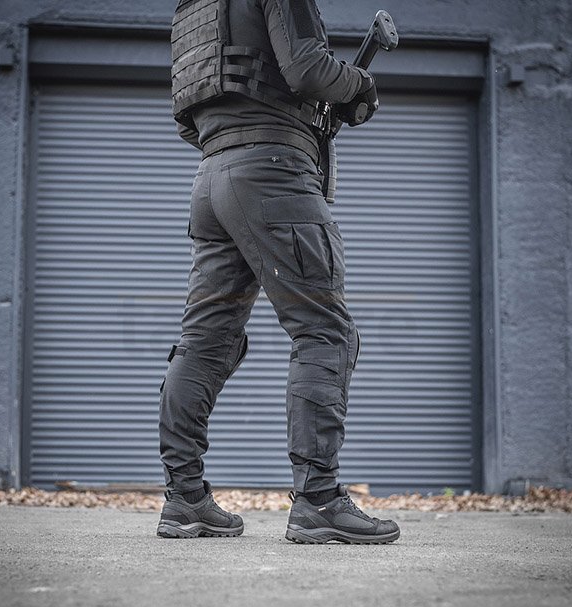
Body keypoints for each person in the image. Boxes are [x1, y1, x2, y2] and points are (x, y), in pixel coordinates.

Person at [157, 0, 400, 544]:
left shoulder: (193, 6)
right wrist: (359, 84)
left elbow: (186, 116)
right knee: (325, 331)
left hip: (210, 179)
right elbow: (308, 67)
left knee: (204, 342)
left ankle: (184, 499)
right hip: (273, 174)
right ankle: (319, 500)